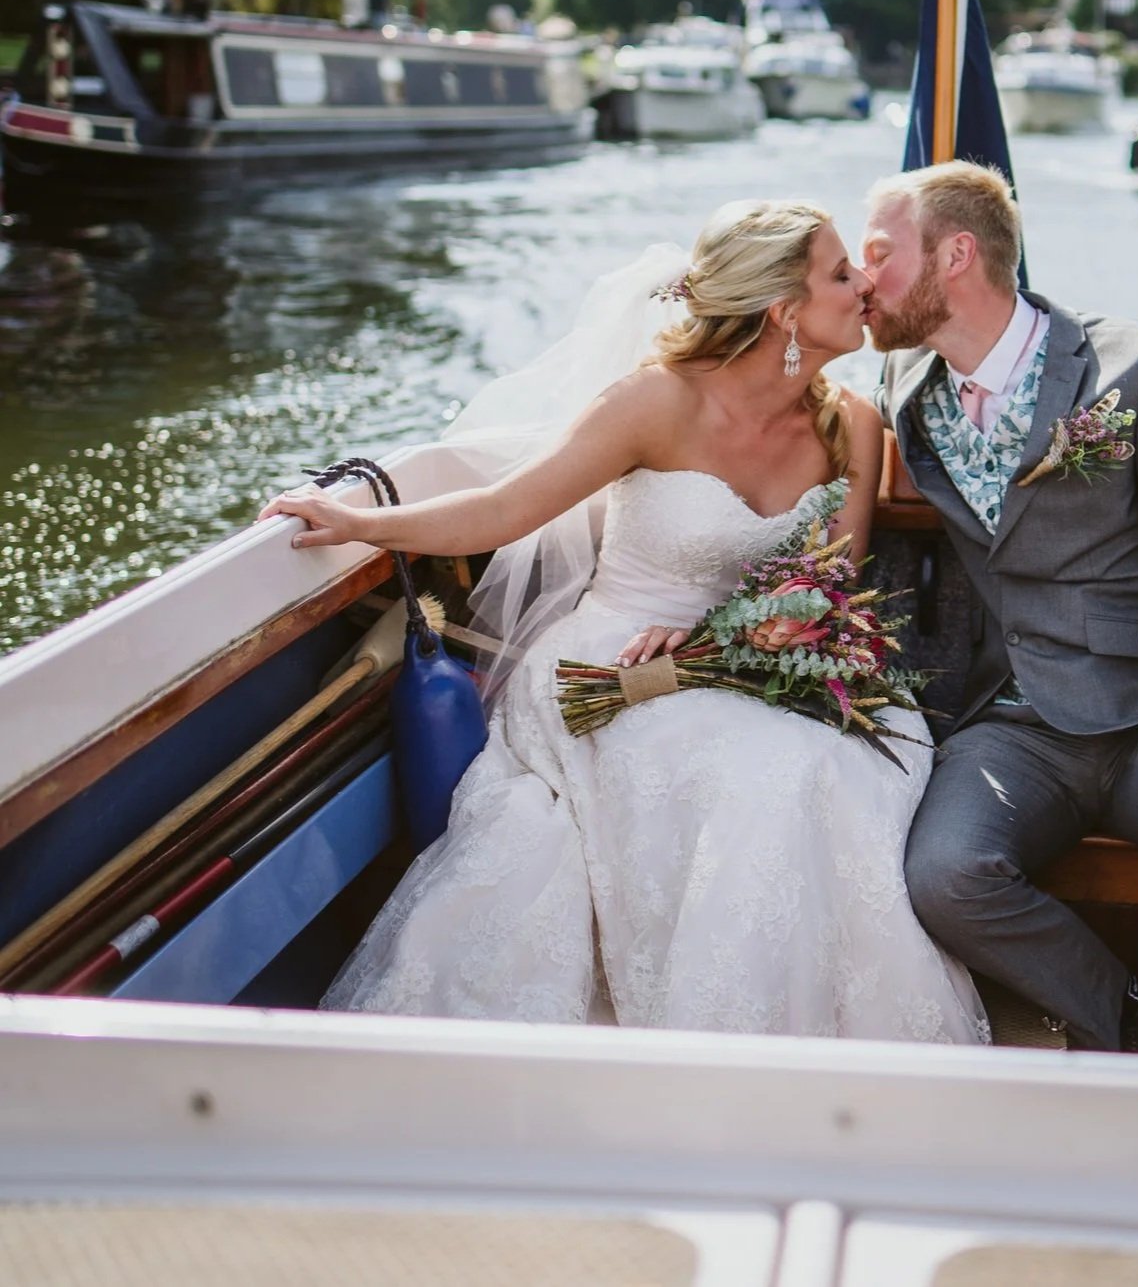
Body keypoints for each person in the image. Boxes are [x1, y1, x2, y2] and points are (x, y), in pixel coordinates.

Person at [260, 200, 987, 1043]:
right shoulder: (655, 402)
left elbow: (829, 589)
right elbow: (504, 509)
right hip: (614, 667)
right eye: (839, 273)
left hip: (757, 662)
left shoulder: (852, 423)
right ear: (783, 312)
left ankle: (806, 1044)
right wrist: (361, 524)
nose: (864, 282)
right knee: (762, 779)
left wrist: (741, 636)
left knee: (840, 759)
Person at [864, 162, 1138, 1057]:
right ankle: (1131, 1015)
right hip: (1014, 721)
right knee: (945, 875)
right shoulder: (901, 381)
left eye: (878, 254)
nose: (862, 277)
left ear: (956, 255)